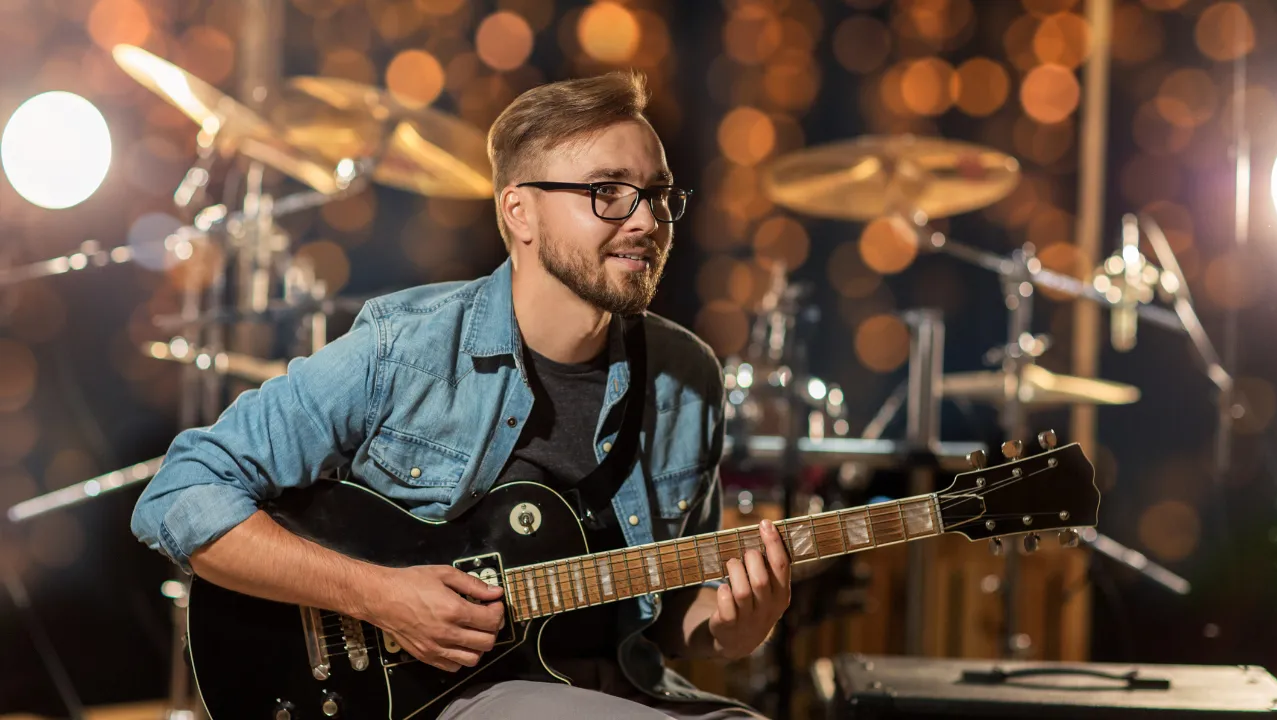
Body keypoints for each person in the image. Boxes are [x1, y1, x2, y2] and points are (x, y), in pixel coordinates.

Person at [131, 70, 789, 719]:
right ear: (519, 210)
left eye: (658, 194)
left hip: (627, 694)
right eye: (609, 192)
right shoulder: (406, 348)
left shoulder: (687, 377)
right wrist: (376, 595)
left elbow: (666, 612)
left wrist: (736, 627)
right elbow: (180, 492)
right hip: (443, 700)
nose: (647, 220)